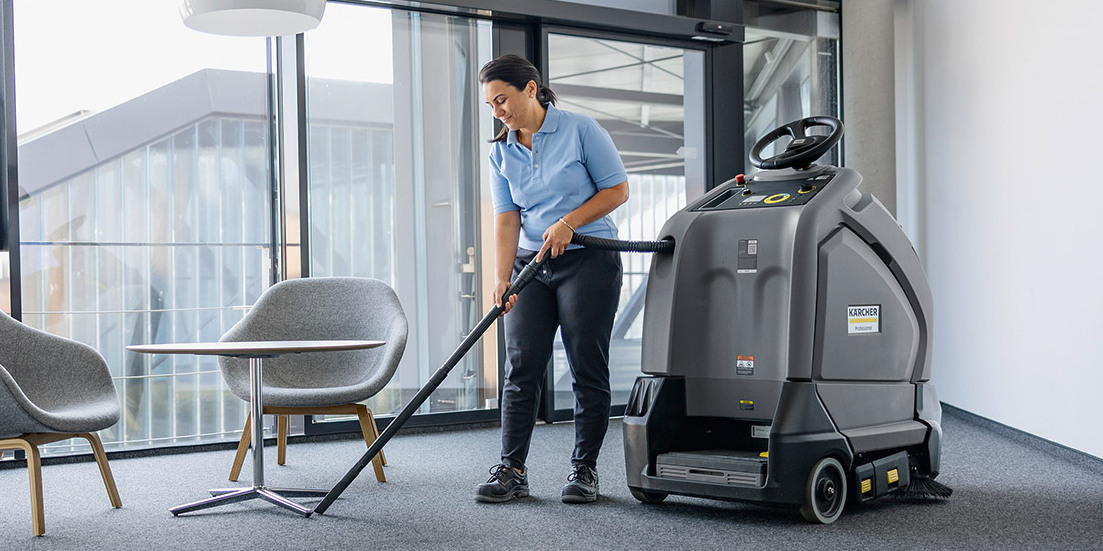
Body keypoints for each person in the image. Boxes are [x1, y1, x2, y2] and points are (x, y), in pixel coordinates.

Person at [475, 54, 628, 504]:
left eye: (502, 99)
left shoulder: (581, 130)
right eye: (491, 105)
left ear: (531, 88)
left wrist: (569, 223)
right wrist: (502, 278)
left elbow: (617, 190)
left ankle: (584, 470)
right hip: (532, 266)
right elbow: (506, 219)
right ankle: (512, 470)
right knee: (521, 367)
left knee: (585, 364)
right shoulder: (500, 151)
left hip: (589, 259)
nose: (498, 111)